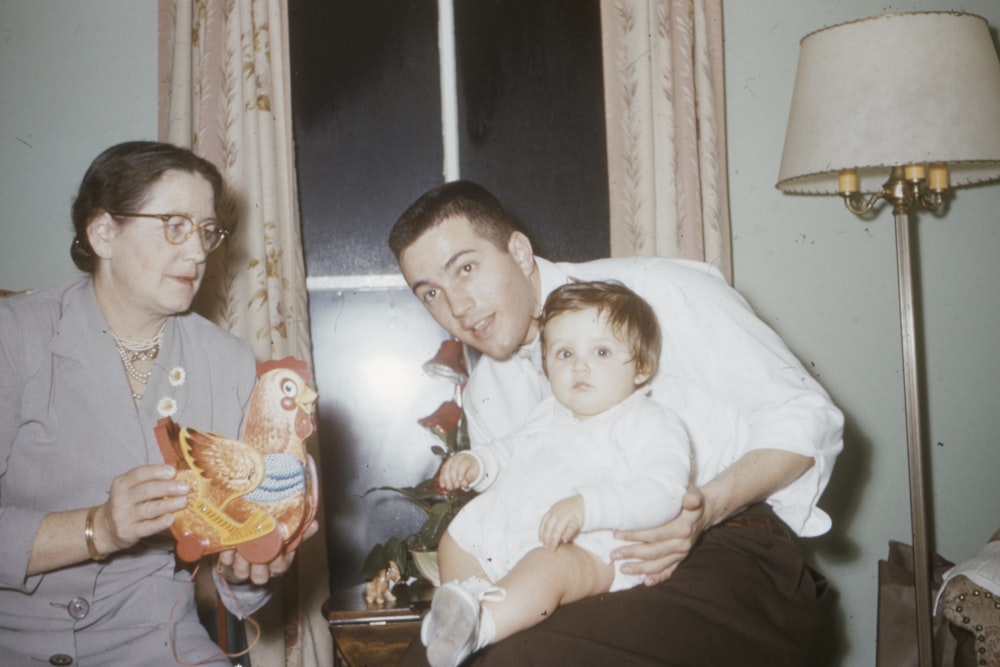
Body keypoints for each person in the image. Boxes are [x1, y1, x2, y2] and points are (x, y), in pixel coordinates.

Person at [389, 180, 844, 666]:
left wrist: (705, 509)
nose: (456, 307)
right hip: (586, 567)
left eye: (467, 269)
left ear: (519, 252)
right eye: (431, 293)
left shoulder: (655, 291)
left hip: (729, 546)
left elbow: (807, 415)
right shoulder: (487, 395)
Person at [0, 141, 315, 666]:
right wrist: (96, 529)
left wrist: (252, 563)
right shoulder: (15, 338)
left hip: (160, 643)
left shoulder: (230, 362)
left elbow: (229, 581)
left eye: (207, 231)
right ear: (103, 233)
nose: (197, 252)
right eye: (174, 225)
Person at [421, 280, 692, 667]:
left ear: (642, 366)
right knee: (457, 539)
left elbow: (665, 491)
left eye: (601, 351)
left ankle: (480, 627)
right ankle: (464, 605)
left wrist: (588, 507)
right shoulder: (548, 412)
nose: (579, 365)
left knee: (549, 568)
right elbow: (512, 449)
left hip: (587, 546)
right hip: (514, 532)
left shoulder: (648, 422)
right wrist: (479, 464)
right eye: (564, 353)